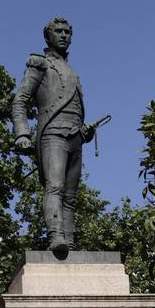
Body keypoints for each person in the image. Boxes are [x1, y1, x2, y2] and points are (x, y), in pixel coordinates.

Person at [12, 17, 95, 257]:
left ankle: (68, 241)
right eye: (58, 31)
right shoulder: (39, 64)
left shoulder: (73, 72)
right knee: (55, 187)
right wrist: (22, 134)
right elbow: (20, 100)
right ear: (47, 36)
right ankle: (55, 236)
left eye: (67, 32)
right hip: (52, 134)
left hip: (76, 137)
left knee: (70, 196)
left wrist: (86, 133)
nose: (63, 35)